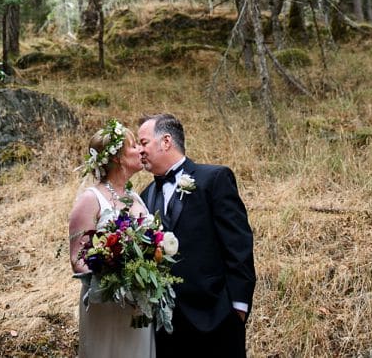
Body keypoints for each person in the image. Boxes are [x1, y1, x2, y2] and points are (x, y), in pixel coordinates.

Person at [138, 113, 256, 358]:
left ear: (166, 141)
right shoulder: (145, 195)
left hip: (216, 315)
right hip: (165, 325)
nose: (140, 150)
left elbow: (238, 243)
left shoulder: (213, 178)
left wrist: (238, 306)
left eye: (144, 142)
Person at [68, 120, 156, 358]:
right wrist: (116, 277)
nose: (140, 150)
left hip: (138, 304)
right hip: (106, 305)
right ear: (117, 157)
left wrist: (149, 274)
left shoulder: (137, 198)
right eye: (134, 146)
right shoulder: (91, 199)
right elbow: (78, 260)